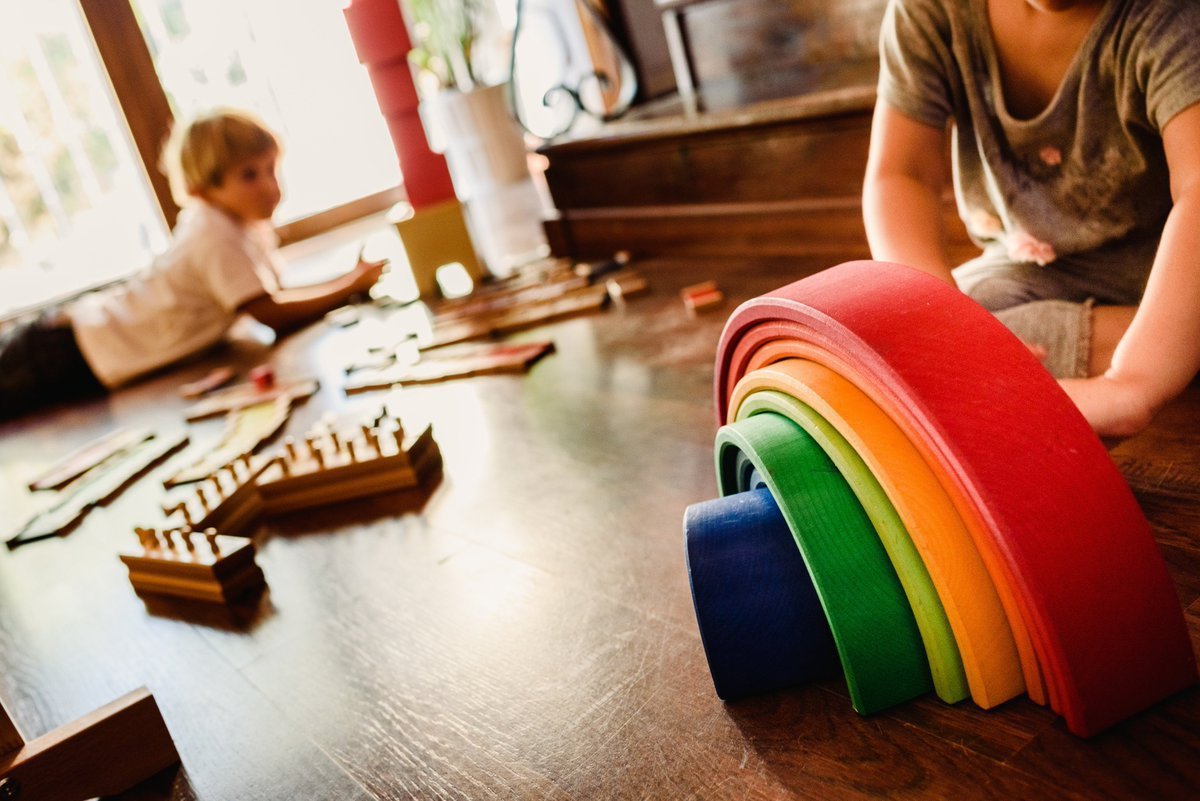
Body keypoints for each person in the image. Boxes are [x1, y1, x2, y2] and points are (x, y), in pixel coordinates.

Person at [862, 0, 1200, 437]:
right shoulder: (931, 9)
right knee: (897, 341)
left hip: (1169, 273)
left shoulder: (1171, 16)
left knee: (990, 345)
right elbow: (902, 174)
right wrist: (946, 332)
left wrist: (1132, 384)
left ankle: (1168, 346)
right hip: (1030, 270)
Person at [0, 109, 386, 420]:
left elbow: (273, 295)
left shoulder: (238, 226)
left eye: (271, 169)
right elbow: (271, 314)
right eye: (249, 175)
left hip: (80, 343)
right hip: (65, 352)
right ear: (204, 189)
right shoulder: (213, 234)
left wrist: (346, 280)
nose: (271, 186)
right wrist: (349, 285)